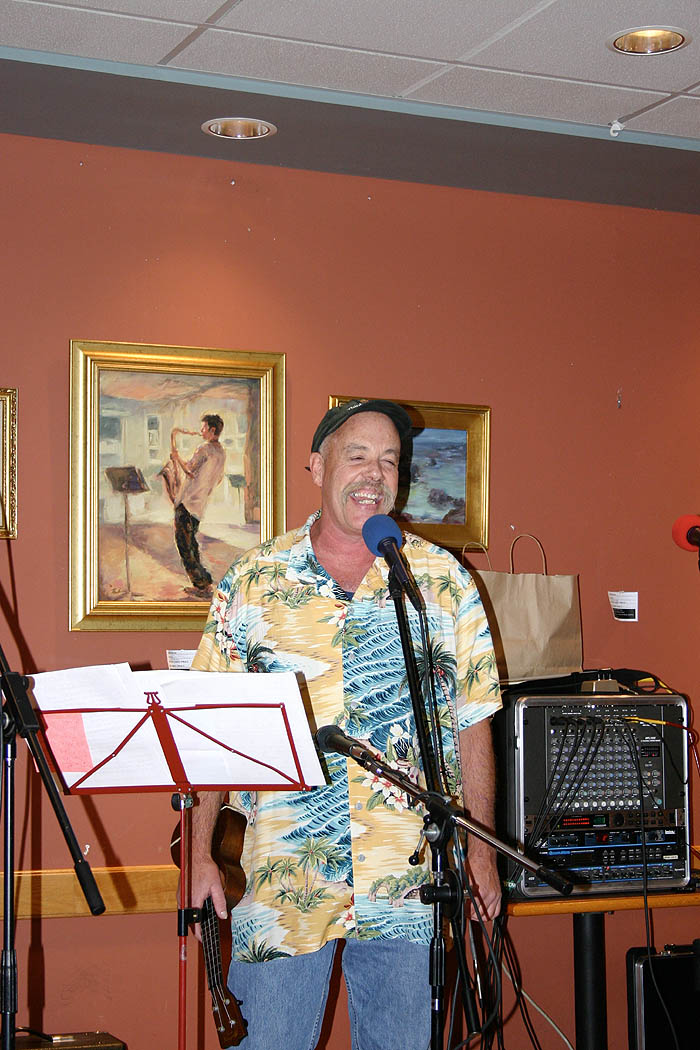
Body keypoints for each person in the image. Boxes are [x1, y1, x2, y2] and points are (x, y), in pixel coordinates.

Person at [188, 398, 502, 1050]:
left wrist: (481, 850)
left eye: (390, 460)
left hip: (406, 882)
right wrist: (198, 856)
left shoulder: (441, 581)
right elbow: (209, 731)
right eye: (357, 454)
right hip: (282, 882)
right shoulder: (254, 582)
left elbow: (473, 722)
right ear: (316, 465)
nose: (375, 472)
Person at [169, 413, 226, 598]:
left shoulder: (204, 449)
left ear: (212, 430)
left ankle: (201, 584)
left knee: (184, 545)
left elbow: (190, 470)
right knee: (191, 542)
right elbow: (217, 480)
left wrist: (176, 457)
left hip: (187, 502)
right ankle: (204, 582)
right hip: (199, 504)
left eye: (203, 428)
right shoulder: (221, 452)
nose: (200, 432)